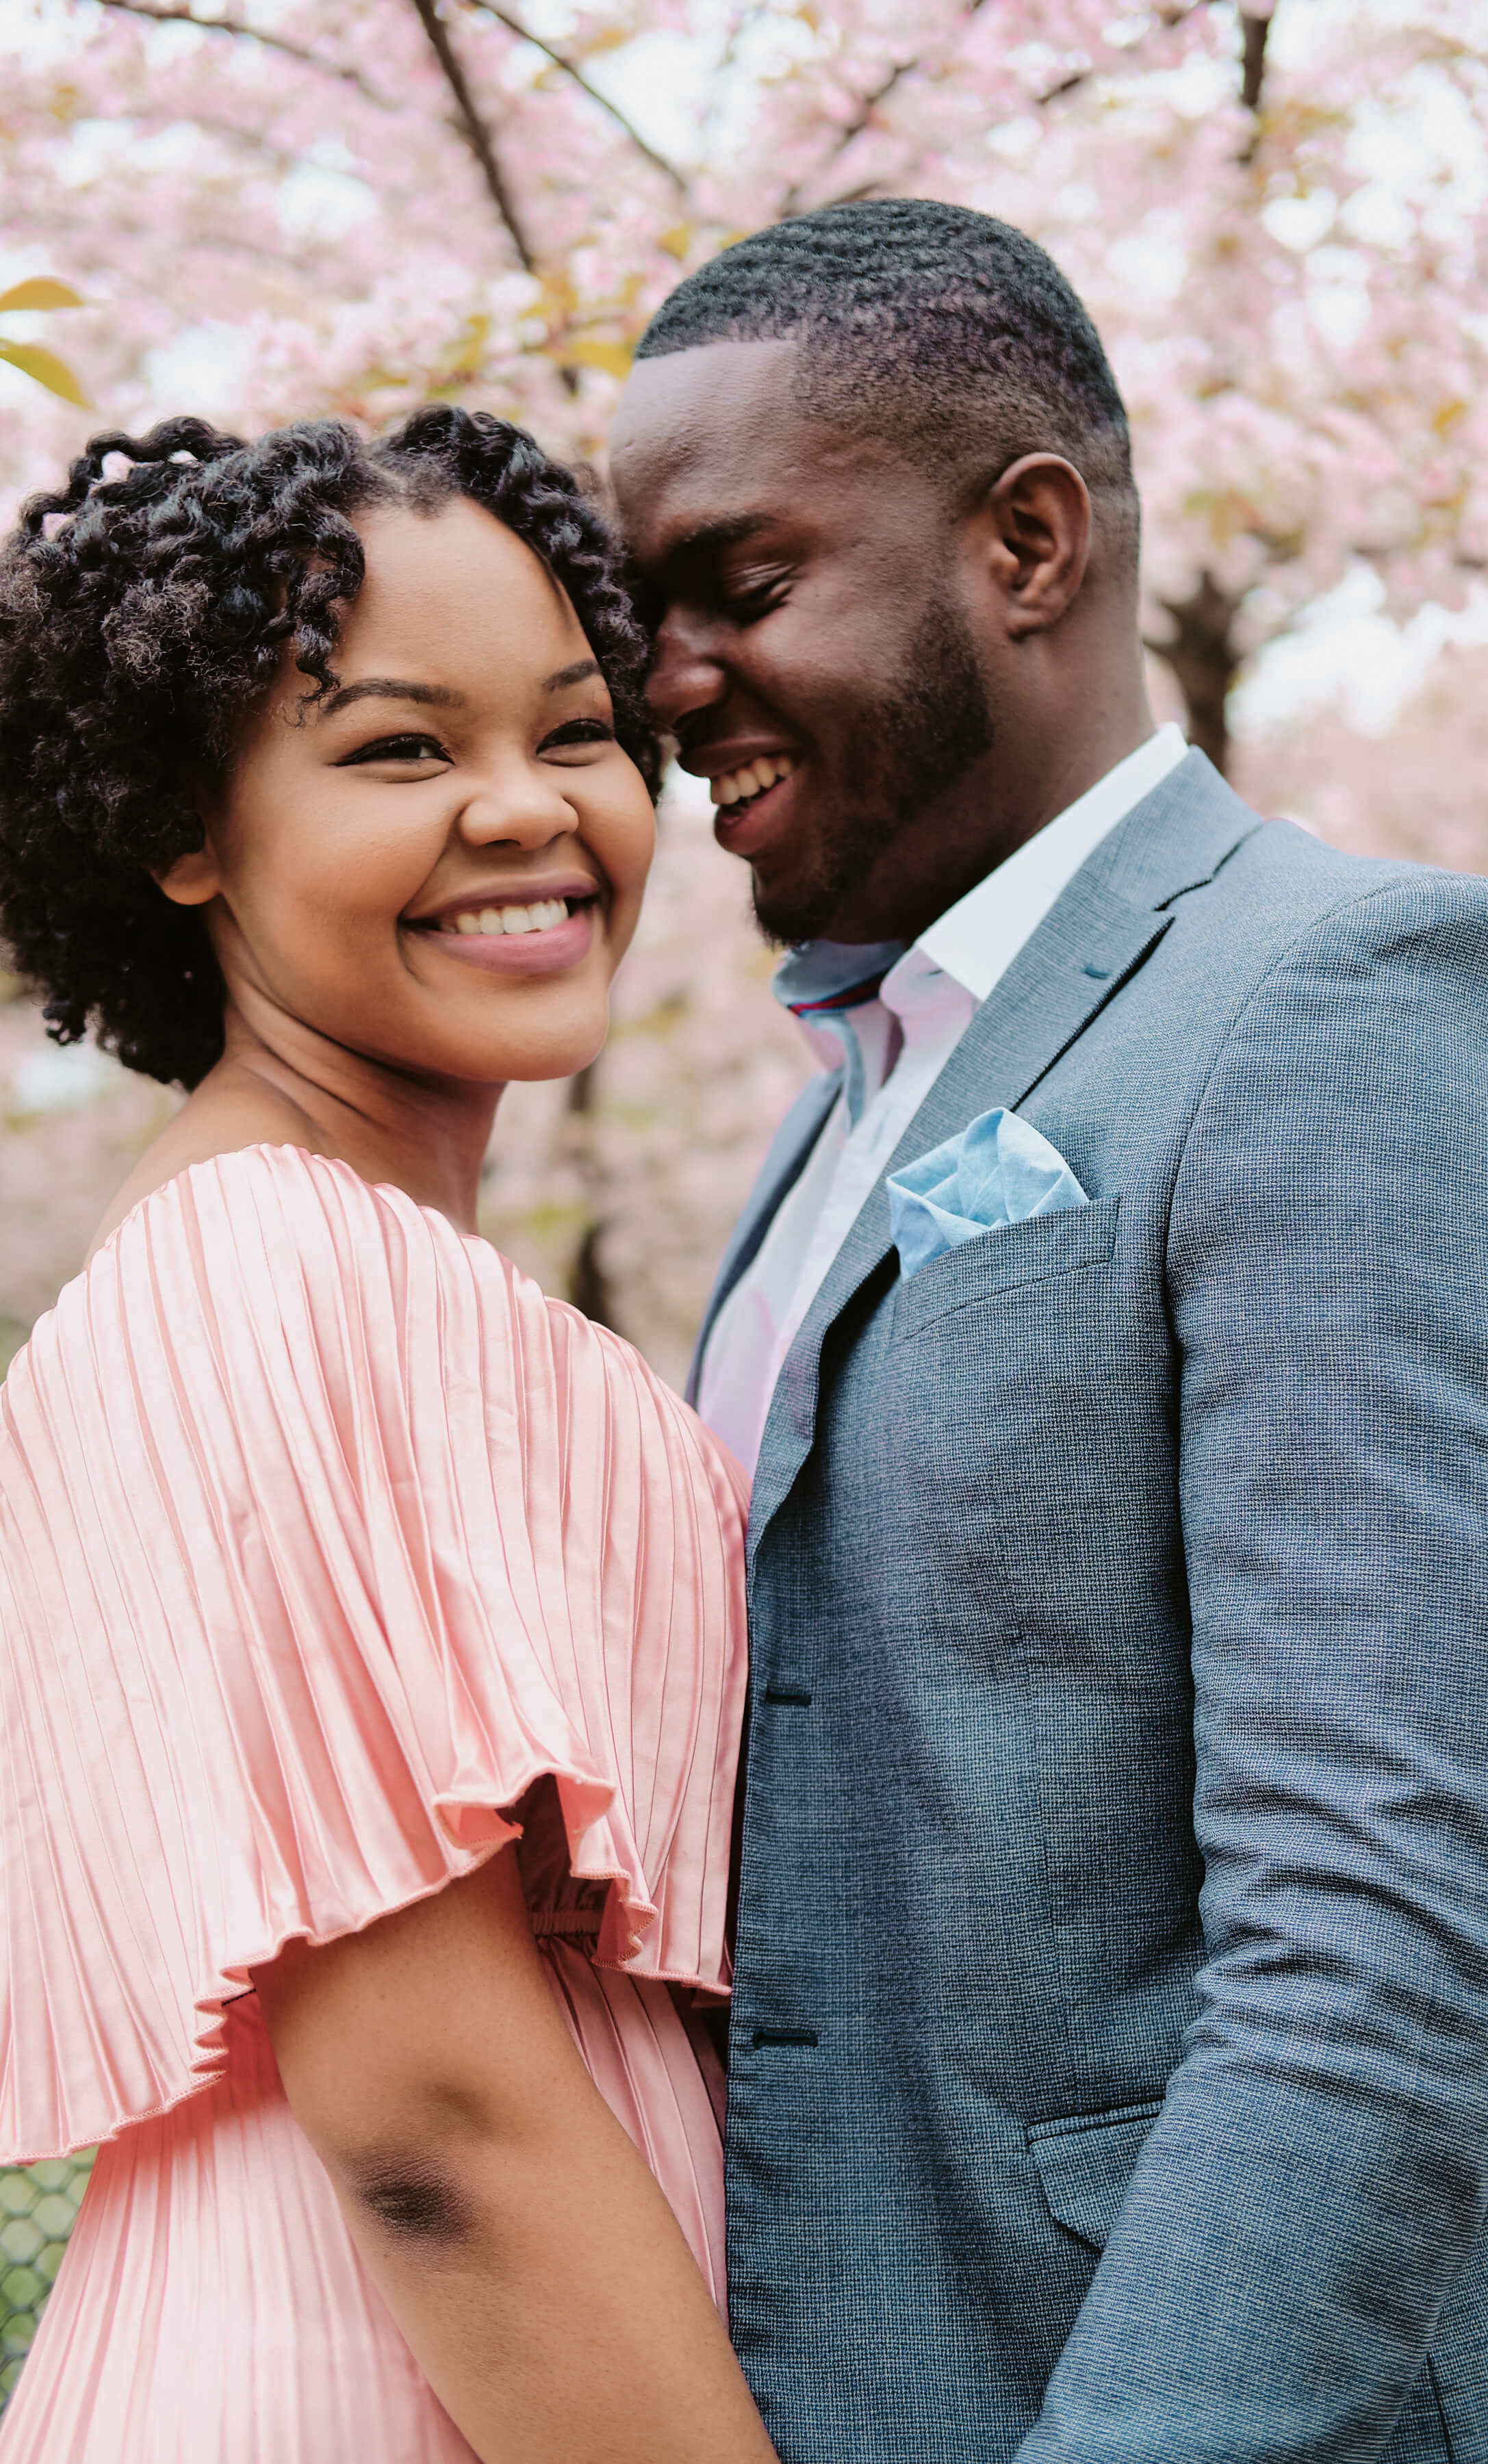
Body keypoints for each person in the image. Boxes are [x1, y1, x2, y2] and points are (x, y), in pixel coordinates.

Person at [609, 199, 1488, 2463]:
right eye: (639, 617)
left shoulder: (1359, 1004)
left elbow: (1381, 1968)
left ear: (1033, 542)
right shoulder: (840, 1113)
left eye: (743, 588)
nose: (661, 685)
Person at [0, 408, 778, 2464]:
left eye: (578, 730)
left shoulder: (373, 1267)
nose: (526, 812)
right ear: (186, 832)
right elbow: (434, 2120)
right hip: (359, 2386)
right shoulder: (255, 1269)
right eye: (400, 749)